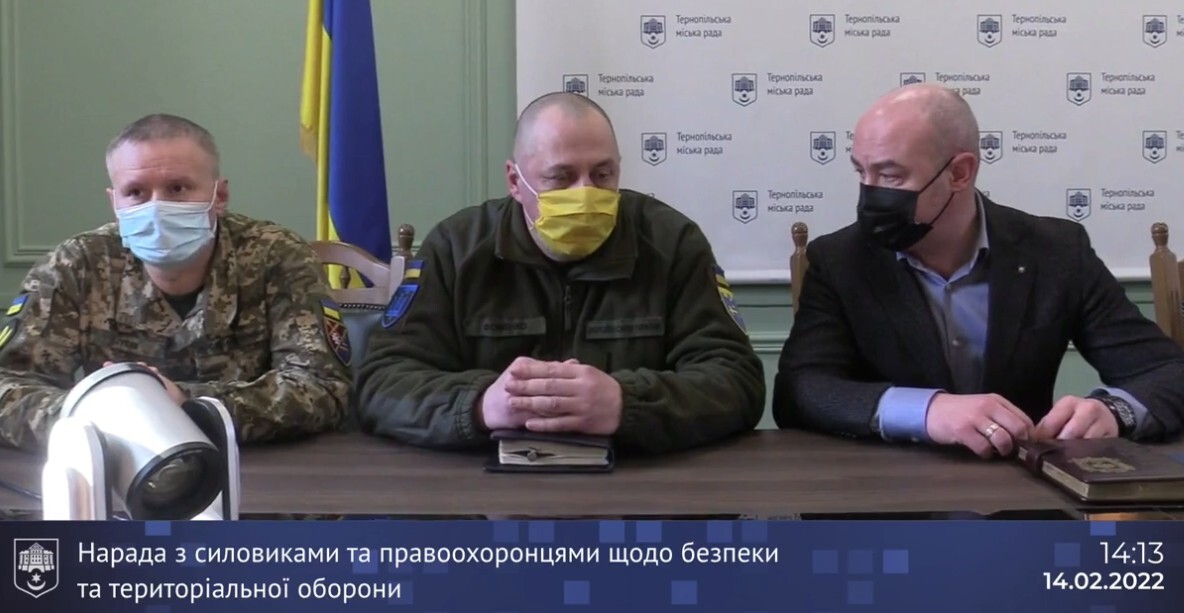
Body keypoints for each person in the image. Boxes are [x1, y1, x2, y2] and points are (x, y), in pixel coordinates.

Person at [773, 84, 1184, 458]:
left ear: (959, 173)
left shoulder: (1056, 252)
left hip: (1022, 489)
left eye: (890, 175)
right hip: (888, 489)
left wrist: (1115, 411)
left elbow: (1166, 372)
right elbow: (800, 389)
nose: (870, 191)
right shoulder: (840, 259)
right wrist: (927, 411)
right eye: (861, 171)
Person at [356, 92, 764, 453]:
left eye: (603, 174)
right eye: (561, 177)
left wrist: (627, 403)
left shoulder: (672, 243)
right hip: (485, 489)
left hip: (637, 485)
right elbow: (383, 381)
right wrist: (479, 405)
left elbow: (736, 379)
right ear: (515, 181)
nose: (585, 193)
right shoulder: (456, 248)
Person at [0, 114, 352, 451]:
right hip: (121, 465)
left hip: (258, 467)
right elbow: (8, 386)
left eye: (177, 188)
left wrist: (186, 403)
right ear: (115, 203)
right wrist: (94, 415)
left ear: (219, 196)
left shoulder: (277, 255)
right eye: (135, 192)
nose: (157, 207)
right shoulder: (76, 264)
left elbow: (323, 388)